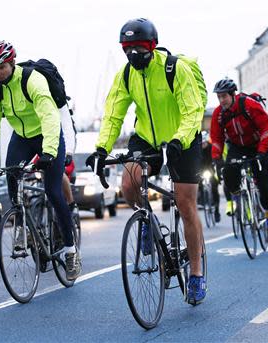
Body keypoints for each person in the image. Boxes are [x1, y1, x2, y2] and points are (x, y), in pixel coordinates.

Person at [86, 18, 207, 305]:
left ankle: (196, 274)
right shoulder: (126, 75)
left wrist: (178, 140)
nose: (133, 55)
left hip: (183, 137)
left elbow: (193, 111)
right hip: (146, 138)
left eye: (138, 48)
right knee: (128, 184)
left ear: (152, 46)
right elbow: (114, 114)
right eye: (127, 49)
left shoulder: (175, 69)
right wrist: (101, 149)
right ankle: (147, 223)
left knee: (186, 203)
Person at [0, 41, 80, 280]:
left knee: (53, 192)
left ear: (12, 63)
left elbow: (49, 117)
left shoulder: (32, 80)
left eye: (1, 67)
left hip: (48, 133)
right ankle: (26, 231)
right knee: (12, 179)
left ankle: (71, 250)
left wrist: (49, 152)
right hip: (22, 137)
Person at [210, 78, 268, 246]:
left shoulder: (248, 105)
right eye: (218, 97)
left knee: (264, 187)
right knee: (229, 173)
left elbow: (266, 127)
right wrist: (217, 158)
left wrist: (263, 151)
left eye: (224, 96)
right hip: (237, 146)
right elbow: (217, 138)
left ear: (233, 94)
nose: (221, 100)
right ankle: (240, 200)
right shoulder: (218, 114)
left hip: (258, 144)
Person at [200, 131, 221, 222]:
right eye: (202, 143)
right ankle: (201, 201)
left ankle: (216, 210)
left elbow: (217, 159)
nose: (203, 145)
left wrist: (217, 166)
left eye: (204, 143)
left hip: (211, 169)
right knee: (198, 184)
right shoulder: (197, 149)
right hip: (201, 170)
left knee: (214, 187)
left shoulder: (211, 148)